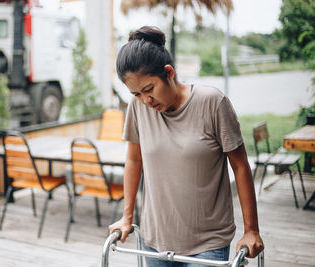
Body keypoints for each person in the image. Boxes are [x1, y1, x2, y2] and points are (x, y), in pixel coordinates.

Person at [108, 26, 264, 267]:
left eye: (149, 89)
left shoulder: (212, 102)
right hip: (154, 241)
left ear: (169, 73)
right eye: (136, 93)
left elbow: (240, 165)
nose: (146, 101)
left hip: (207, 245)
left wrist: (251, 229)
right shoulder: (138, 107)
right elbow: (134, 160)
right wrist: (126, 217)